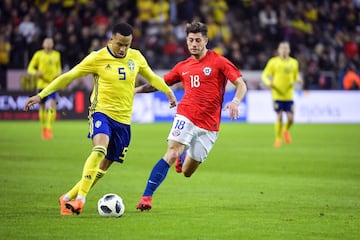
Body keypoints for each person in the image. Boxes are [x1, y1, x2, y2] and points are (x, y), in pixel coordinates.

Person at [23, 23, 177, 215]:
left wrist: (169, 92)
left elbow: (153, 78)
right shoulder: (97, 58)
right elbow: (68, 77)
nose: (123, 49)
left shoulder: (136, 57)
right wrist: (41, 95)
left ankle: (67, 198)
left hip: (123, 121)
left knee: (103, 167)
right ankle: (81, 200)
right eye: (119, 44)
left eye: (127, 45)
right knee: (99, 149)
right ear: (111, 39)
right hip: (101, 112)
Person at [135, 21, 247, 211]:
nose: (193, 44)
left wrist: (235, 101)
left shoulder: (219, 61)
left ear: (205, 41)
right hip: (186, 115)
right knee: (171, 153)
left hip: (209, 127)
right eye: (190, 40)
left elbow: (241, 84)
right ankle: (147, 197)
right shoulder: (182, 67)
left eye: (197, 40)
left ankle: (183, 156)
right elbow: (160, 84)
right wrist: (135, 90)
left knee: (187, 172)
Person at [261, 41, 302, 147]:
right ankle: (278, 139)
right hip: (277, 93)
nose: (284, 50)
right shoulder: (273, 62)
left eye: (286, 48)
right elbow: (264, 75)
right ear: (278, 50)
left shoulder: (294, 62)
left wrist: (298, 80)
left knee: (291, 119)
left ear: (289, 50)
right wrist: (268, 83)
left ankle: (285, 130)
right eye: (282, 48)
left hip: (288, 94)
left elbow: (295, 75)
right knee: (279, 116)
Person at [27, 37, 62, 140]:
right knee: (42, 107)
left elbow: (59, 67)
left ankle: (49, 128)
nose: (48, 44)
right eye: (46, 42)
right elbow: (30, 68)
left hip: (52, 84)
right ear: (43, 44)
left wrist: (59, 73)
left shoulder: (57, 54)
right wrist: (36, 73)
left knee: (52, 105)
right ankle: (43, 128)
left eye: (50, 42)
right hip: (41, 84)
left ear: (53, 44)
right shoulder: (38, 54)